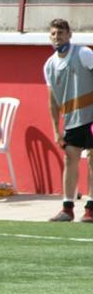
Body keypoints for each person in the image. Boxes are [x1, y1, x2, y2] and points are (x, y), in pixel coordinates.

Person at [44, 19, 93, 222]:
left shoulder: (84, 54)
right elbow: (52, 102)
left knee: (92, 159)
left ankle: (90, 208)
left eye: (61, 33)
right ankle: (67, 208)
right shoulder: (49, 65)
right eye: (54, 34)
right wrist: (56, 130)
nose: (57, 37)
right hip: (72, 120)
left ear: (69, 34)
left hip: (91, 117)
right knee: (70, 159)